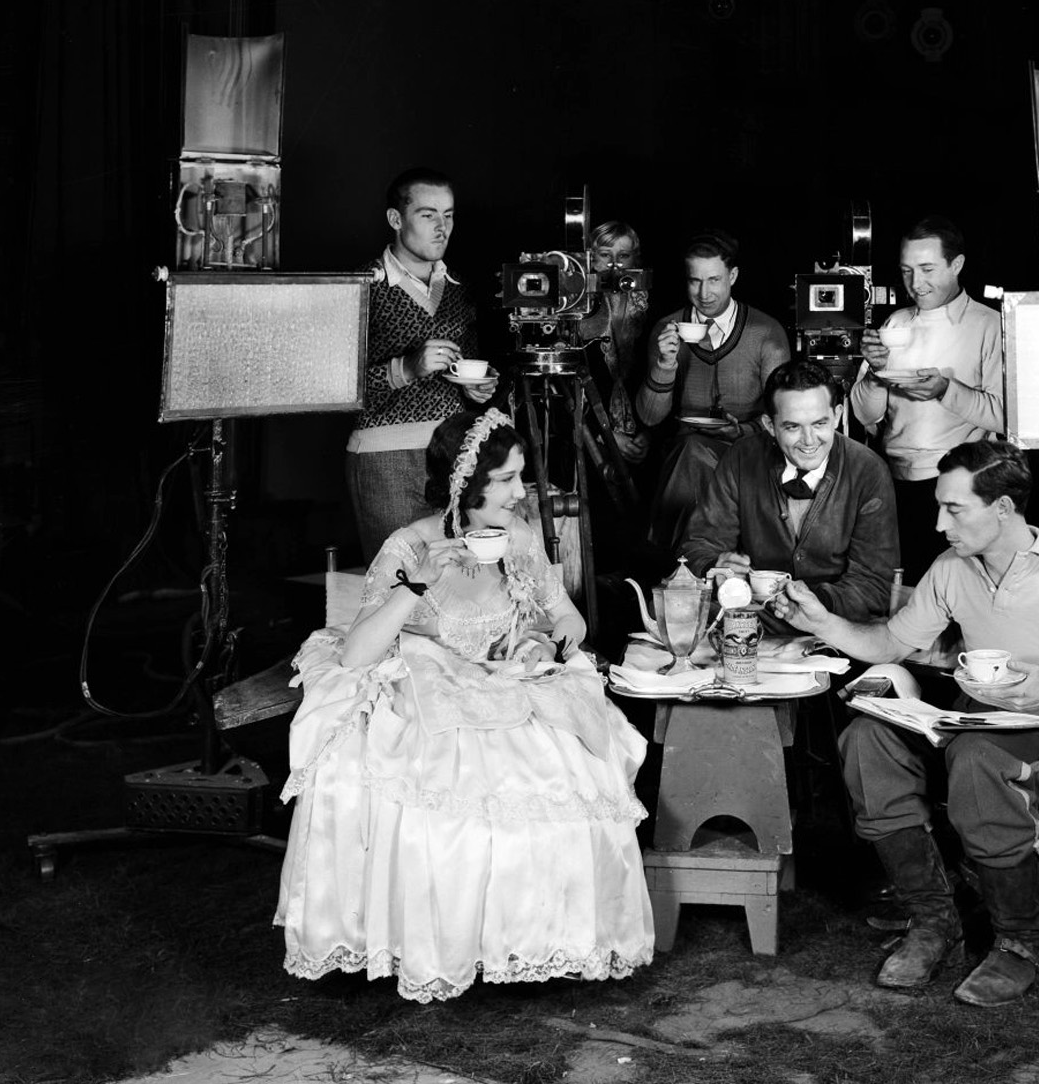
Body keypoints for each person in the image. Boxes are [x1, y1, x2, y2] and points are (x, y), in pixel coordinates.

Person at [768, 440, 1039, 1007]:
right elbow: (890, 643)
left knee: (977, 759)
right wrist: (822, 621)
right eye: (940, 507)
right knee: (866, 740)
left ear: (1002, 508)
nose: (939, 524)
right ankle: (934, 923)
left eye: (954, 509)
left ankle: (1025, 943)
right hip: (970, 729)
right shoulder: (952, 569)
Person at [277, 408, 655, 1002]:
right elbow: (356, 654)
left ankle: (534, 941)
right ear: (463, 485)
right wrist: (418, 584)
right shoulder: (409, 545)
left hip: (505, 680)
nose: (520, 493)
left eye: (519, 476)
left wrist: (548, 643)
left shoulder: (519, 540)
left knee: (565, 763)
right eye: (505, 480)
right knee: (443, 796)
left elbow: (567, 618)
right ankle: (447, 946)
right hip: (428, 686)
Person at [679, 359, 898, 630]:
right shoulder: (741, 458)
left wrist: (816, 605)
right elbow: (697, 547)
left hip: (834, 626)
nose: (809, 440)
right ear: (769, 425)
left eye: (819, 424)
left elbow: (875, 584)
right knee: (674, 611)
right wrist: (715, 567)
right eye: (793, 427)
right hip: (750, 618)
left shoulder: (869, 470)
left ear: (838, 415)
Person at [346, 168, 494, 564]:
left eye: (448, 215)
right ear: (396, 219)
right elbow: (334, 386)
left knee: (459, 580)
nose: (442, 228)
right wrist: (406, 369)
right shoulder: (361, 285)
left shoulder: (459, 288)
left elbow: (467, 369)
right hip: (386, 457)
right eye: (428, 215)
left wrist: (477, 388)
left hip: (455, 454)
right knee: (400, 579)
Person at [849, 216, 1005, 583]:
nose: (916, 283)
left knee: (954, 590)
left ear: (957, 265)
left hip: (960, 485)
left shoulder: (989, 325)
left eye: (927, 269)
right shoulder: (895, 325)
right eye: (907, 271)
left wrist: (946, 391)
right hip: (892, 482)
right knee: (899, 590)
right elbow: (864, 415)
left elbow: (1004, 416)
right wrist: (875, 372)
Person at [635, 229, 792, 551]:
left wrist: (742, 431)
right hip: (685, 452)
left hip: (751, 449)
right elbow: (650, 417)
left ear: (733, 276)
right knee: (692, 450)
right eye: (695, 281)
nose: (704, 293)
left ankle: (680, 561)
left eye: (714, 280)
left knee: (695, 456)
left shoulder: (766, 332)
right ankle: (700, 560)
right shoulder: (668, 328)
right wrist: (664, 365)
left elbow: (784, 414)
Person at [578, 220, 652, 467]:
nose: (614, 264)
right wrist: (605, 435)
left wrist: (649, 433)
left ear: (635, 259)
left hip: (643, 430)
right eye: (605, 255)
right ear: (591, 258)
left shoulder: (647, 305)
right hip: (590, 433)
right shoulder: (578, 307)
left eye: (623, 255)